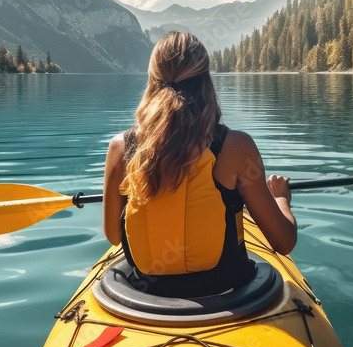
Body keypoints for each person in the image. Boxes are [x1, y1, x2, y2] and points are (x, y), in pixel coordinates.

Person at [102, 31, 297, 298]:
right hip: (228, 293)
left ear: (152, 80)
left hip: (147, 296)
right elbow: (284, 242)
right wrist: (280, 199)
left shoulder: (120, 147)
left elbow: (114, 235)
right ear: (206, 81)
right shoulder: (236, 145)